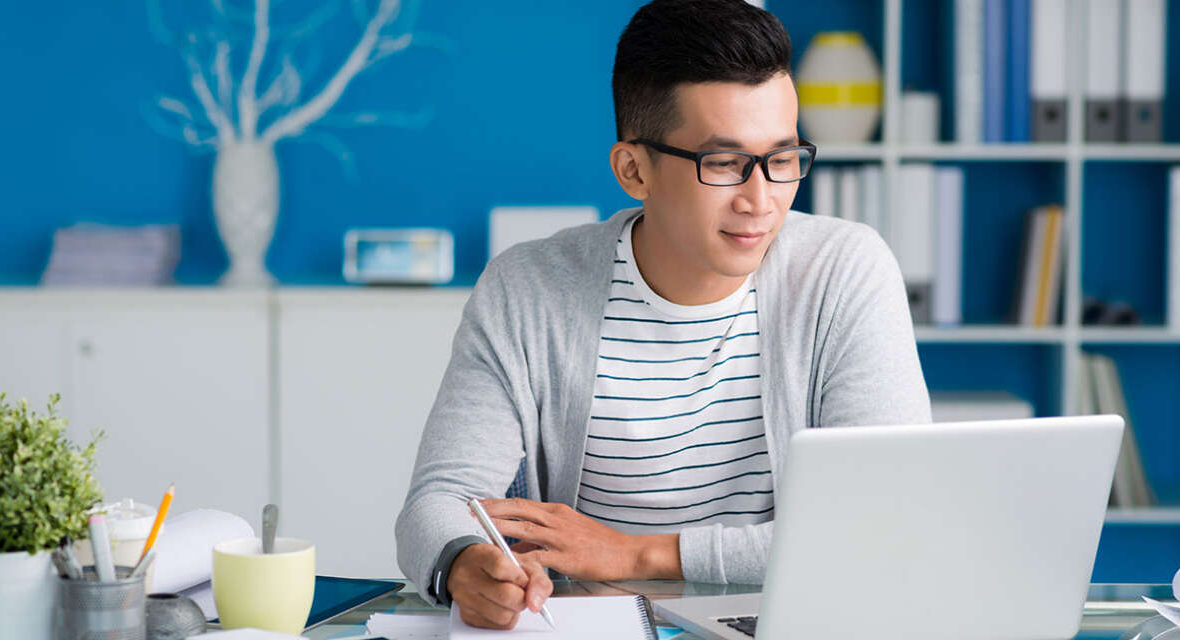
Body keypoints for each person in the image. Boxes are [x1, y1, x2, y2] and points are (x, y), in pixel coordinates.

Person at [395, 0, 930, 630]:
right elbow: (438, 502)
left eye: (782, 160)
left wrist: (636, 553)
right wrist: (464, 562)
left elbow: (883, 523)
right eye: (724, 164)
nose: (761, 200)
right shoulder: (529, 289)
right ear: (633, 170)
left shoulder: (844, 271)